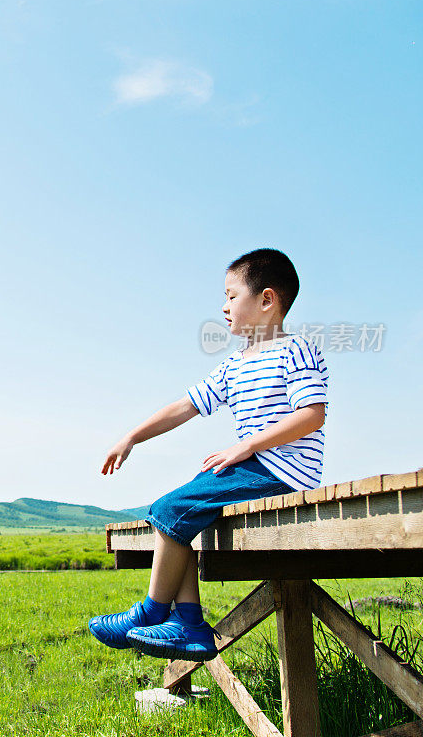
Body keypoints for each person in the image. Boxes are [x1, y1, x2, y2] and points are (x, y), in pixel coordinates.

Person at [89, 247, 329, 661]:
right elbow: (185, 406)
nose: (224, 306)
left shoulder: (295, 350)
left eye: (232, 296)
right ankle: (188, 624)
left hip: (280, 474)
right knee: (177, 511)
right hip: (250, 468)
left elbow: (312, 416)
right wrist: (132, 436)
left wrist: (246, 445)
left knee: (170, 508)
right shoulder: (235, 365)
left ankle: (152, 614)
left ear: (267, 300)